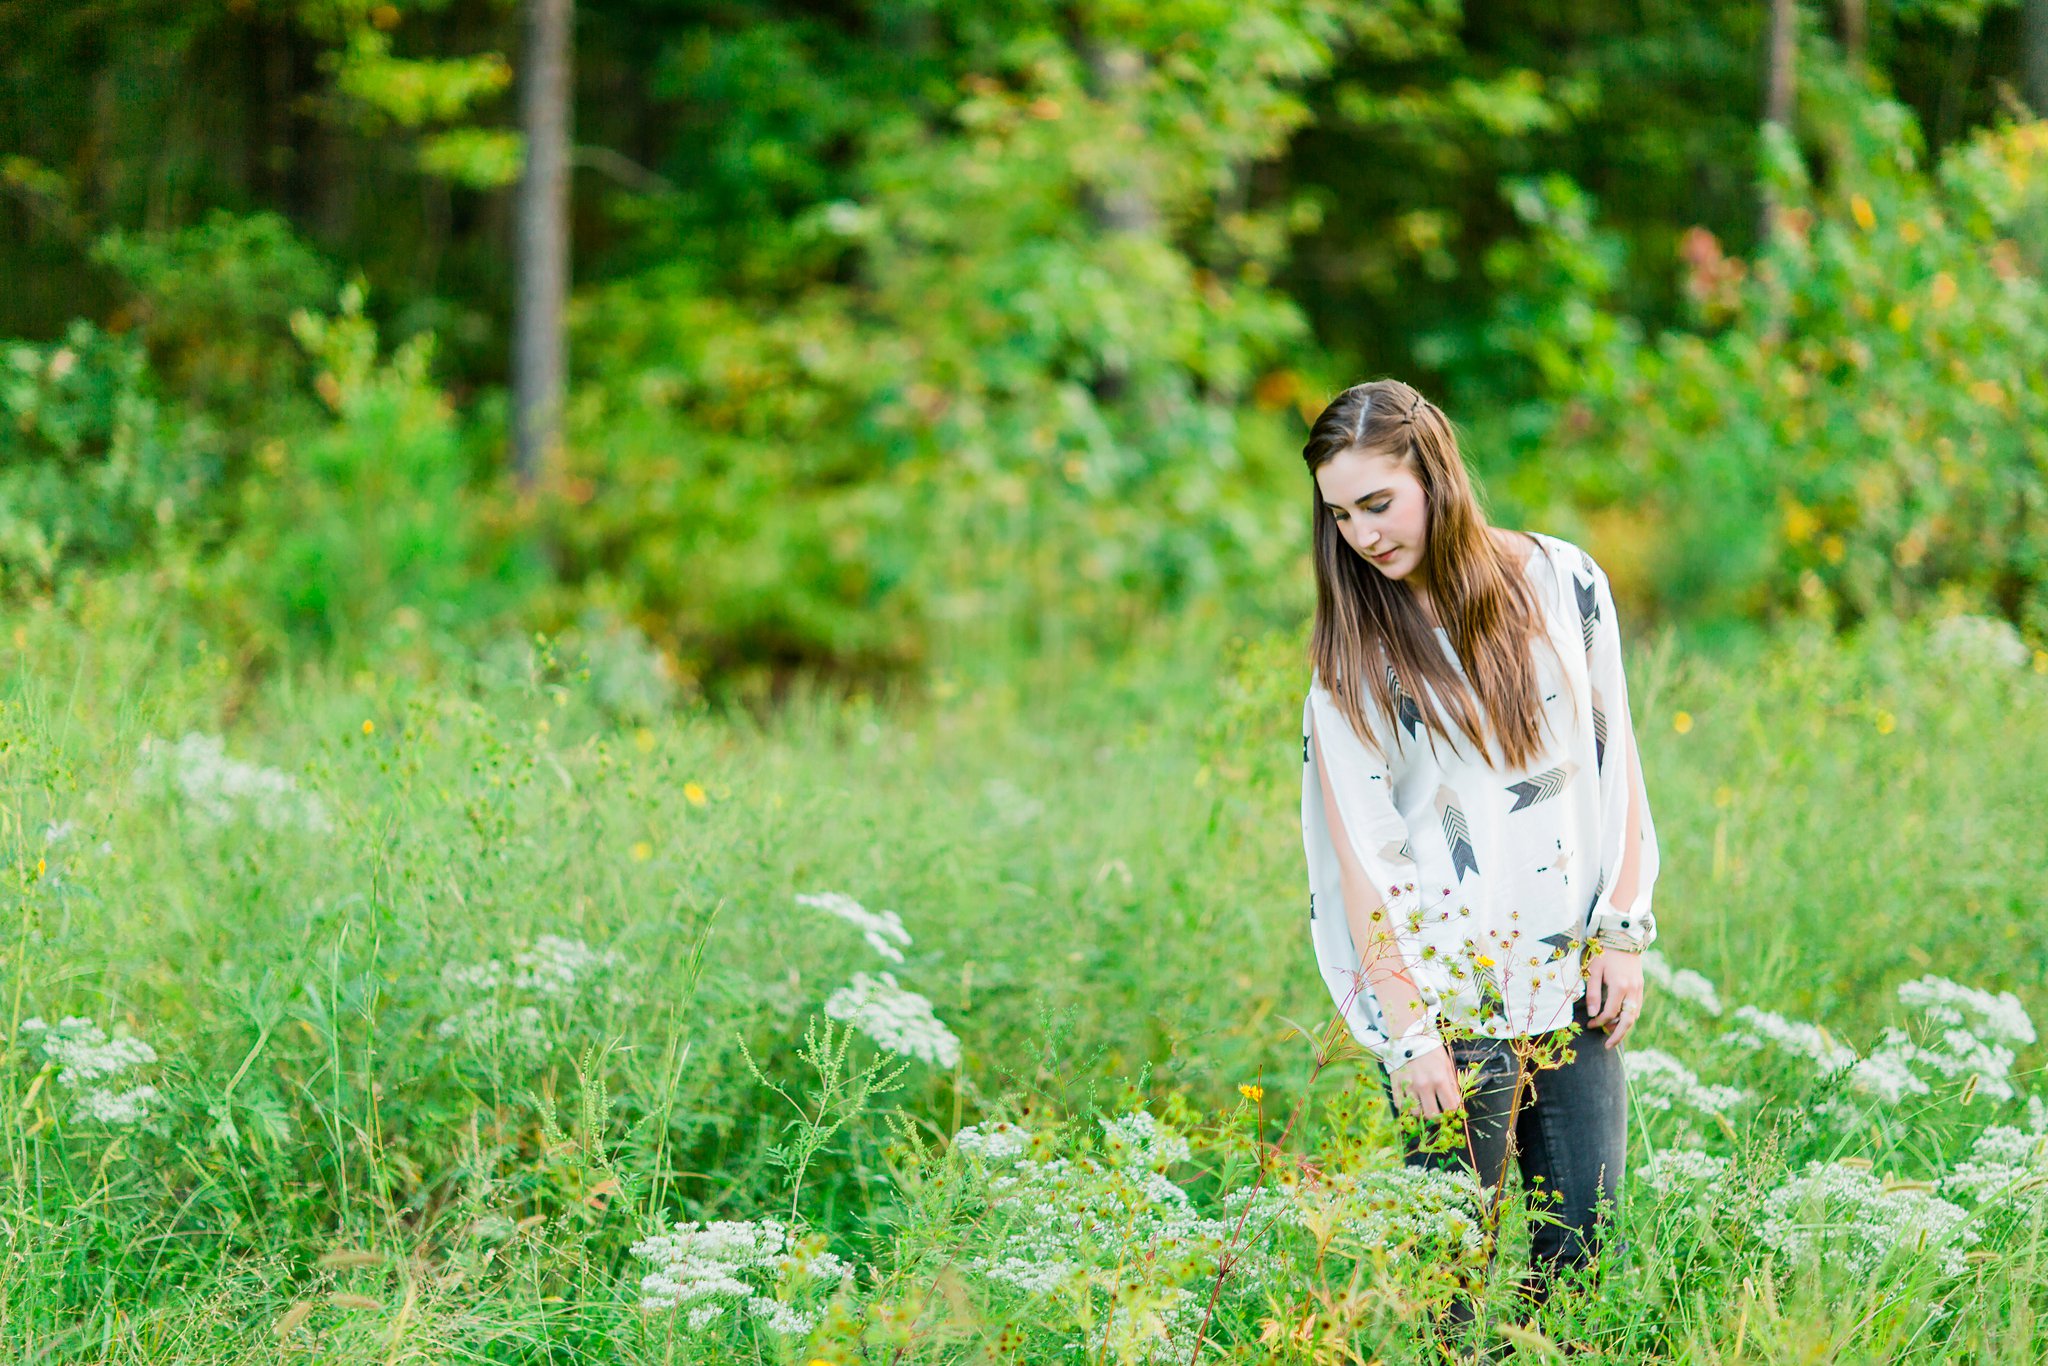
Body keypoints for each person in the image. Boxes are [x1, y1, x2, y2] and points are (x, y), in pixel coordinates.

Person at [1296, 378, 1660, 1345]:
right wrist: (1410, 1032)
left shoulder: (1565, 580)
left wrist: (1623, 929)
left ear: (1436, 473)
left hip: (1574, 973)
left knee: (1581, 1271)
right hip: (1447, 1001)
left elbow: (1610, 758)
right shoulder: (1351, 663)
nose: (1364, 534)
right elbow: (1361, 859)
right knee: (1446, 1294)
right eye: (1342, 515)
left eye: (1379, 501)